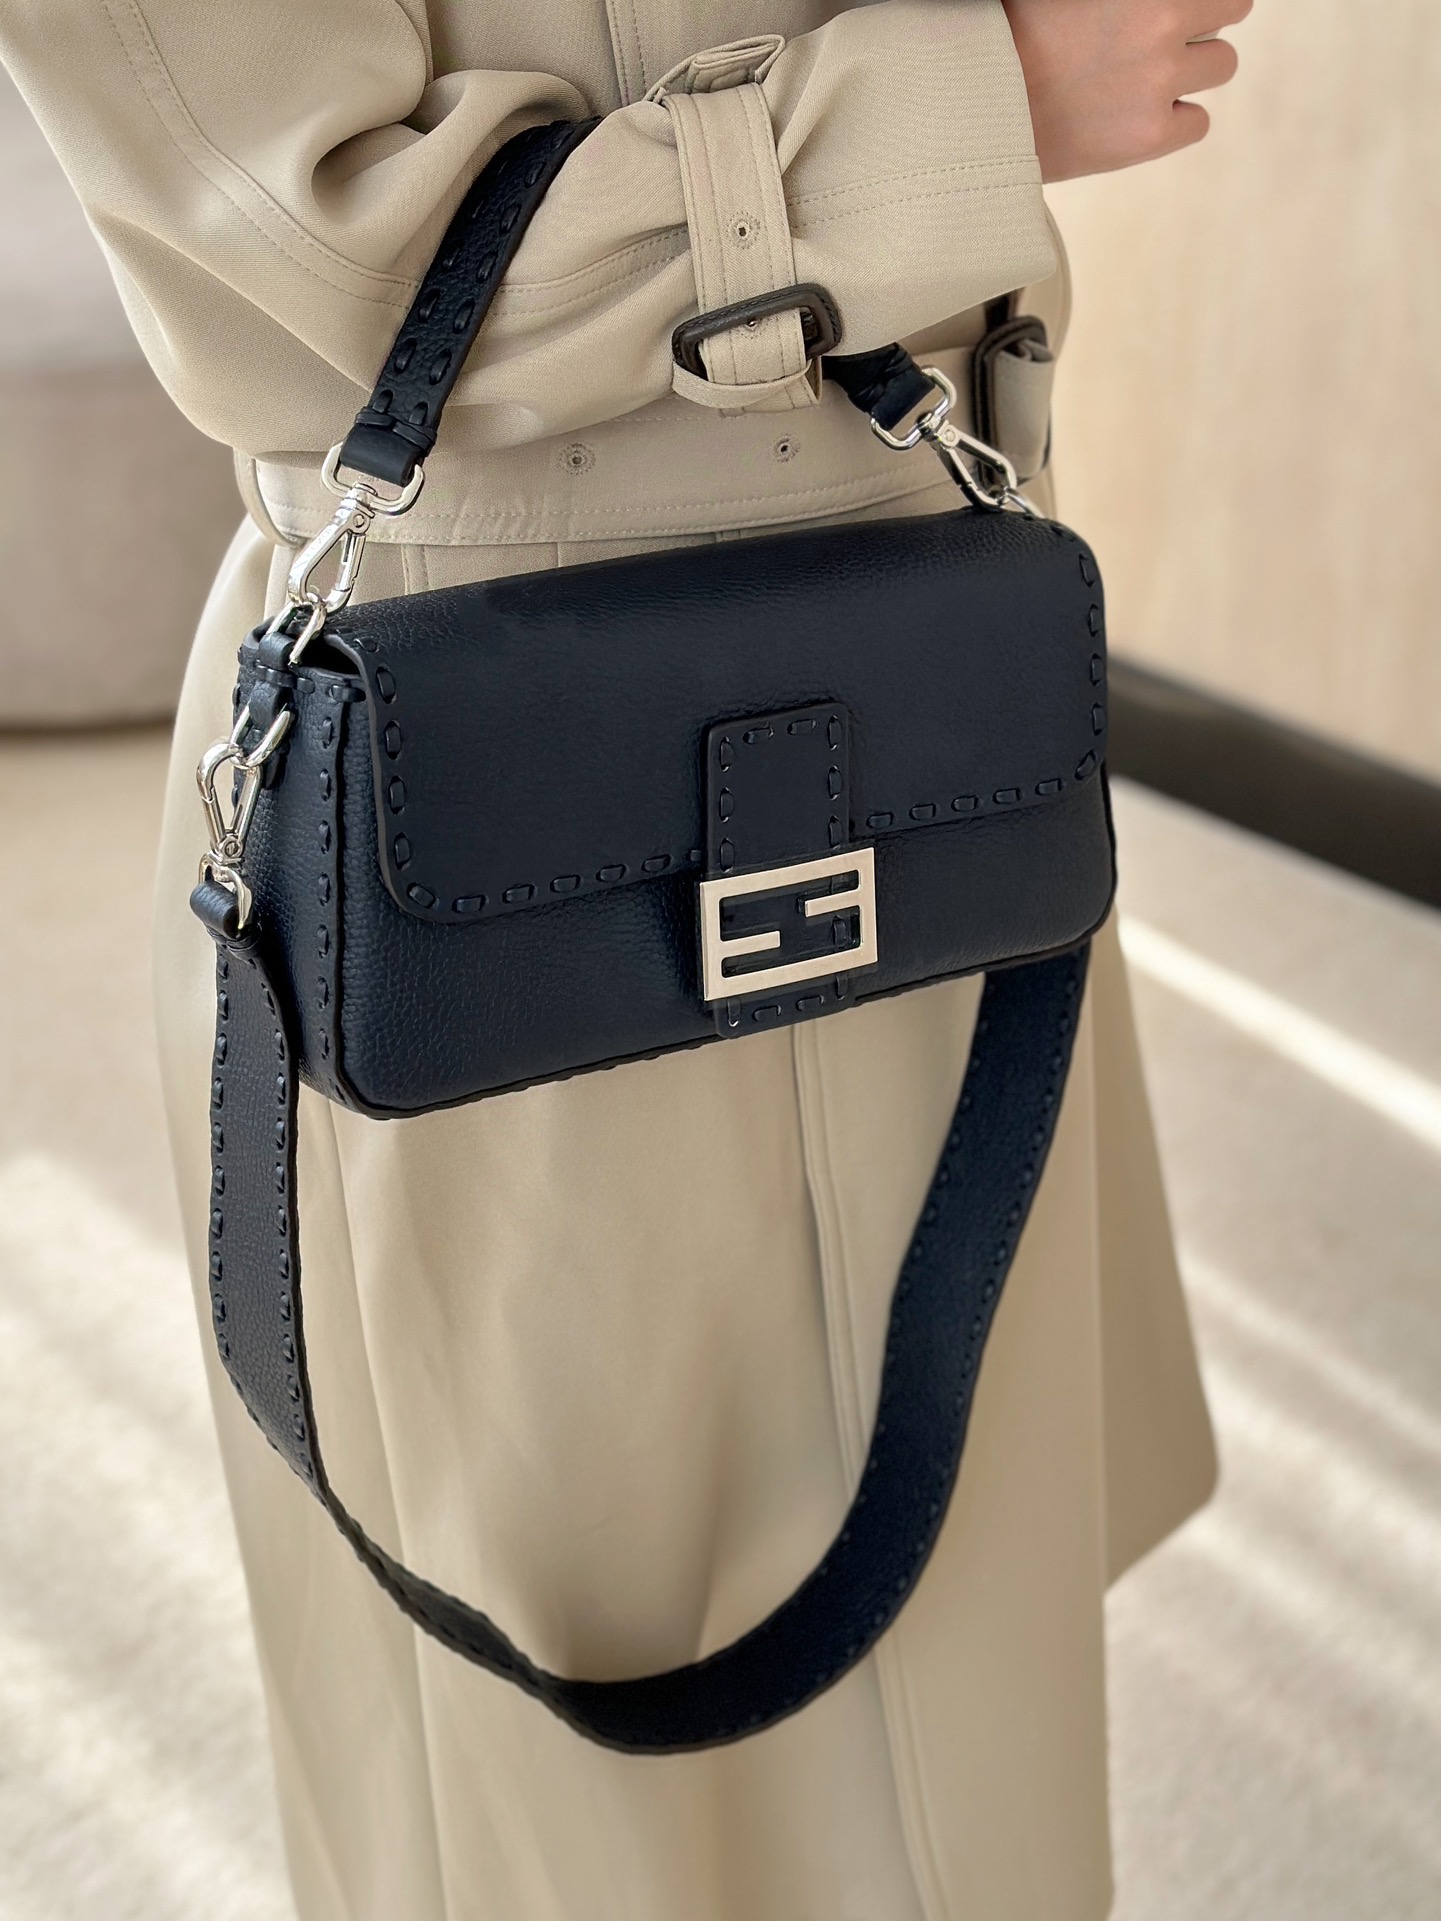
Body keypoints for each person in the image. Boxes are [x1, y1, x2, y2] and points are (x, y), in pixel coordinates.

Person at [0, 2, 1246, 1915]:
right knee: (577, 1780)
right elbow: (313, 266)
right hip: (475, 727)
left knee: (960, 1656)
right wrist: (957, 108)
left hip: (923, 635)